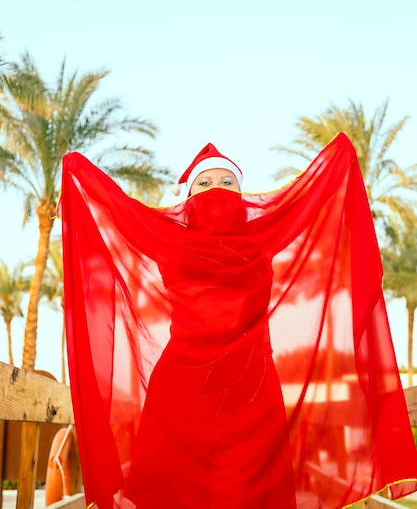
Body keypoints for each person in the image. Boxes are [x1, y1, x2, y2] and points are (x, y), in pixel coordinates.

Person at [59, 135, 417, 509]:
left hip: (253, 401)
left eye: (228, 182)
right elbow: (116, 211)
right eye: (205, 183)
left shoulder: (263, 237)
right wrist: (75, 175)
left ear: (243, 195)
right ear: (188, 196)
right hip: (179, 399)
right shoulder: (169, 240)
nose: (217, 189)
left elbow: (313, 198)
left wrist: (342, 157)